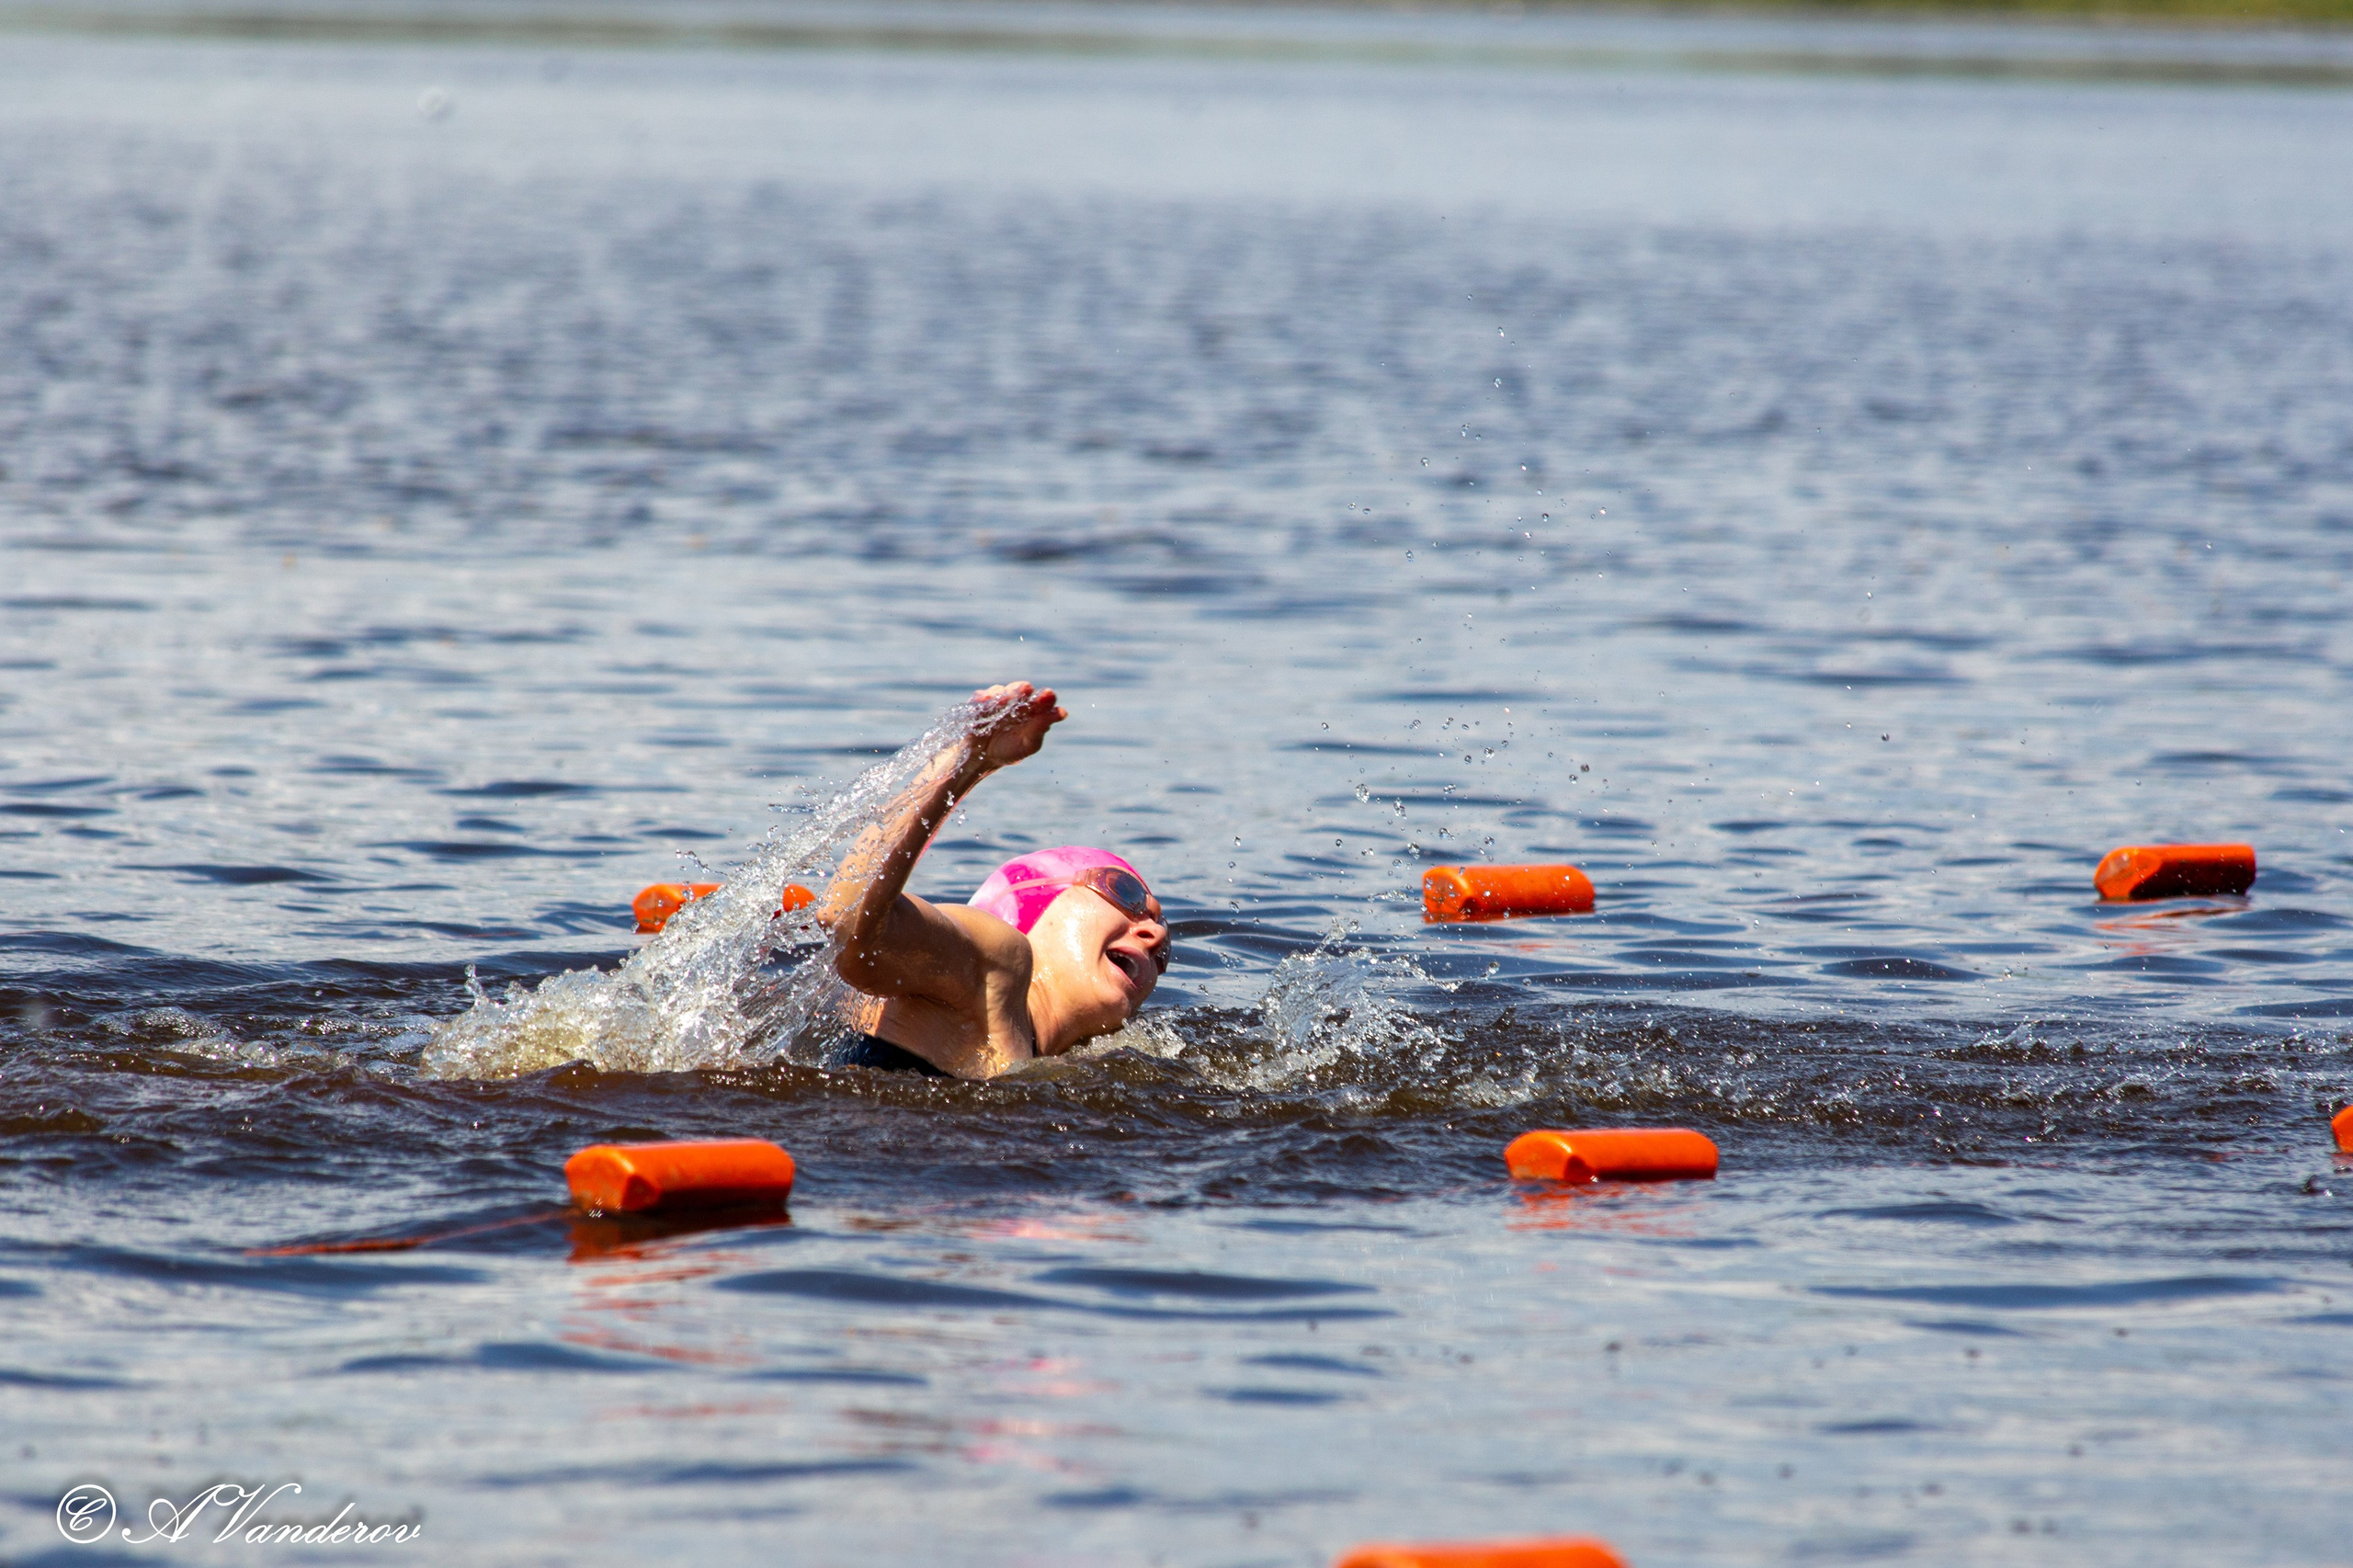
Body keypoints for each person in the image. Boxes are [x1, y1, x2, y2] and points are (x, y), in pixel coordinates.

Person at [816, 682, 1171, 1080]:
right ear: (1034, 904)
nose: (1153, 936)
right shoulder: (996, 960)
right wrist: (967, 762)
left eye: (1165, 946)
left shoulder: (1050, 1056)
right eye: (1126, 893)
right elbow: (846, 917)